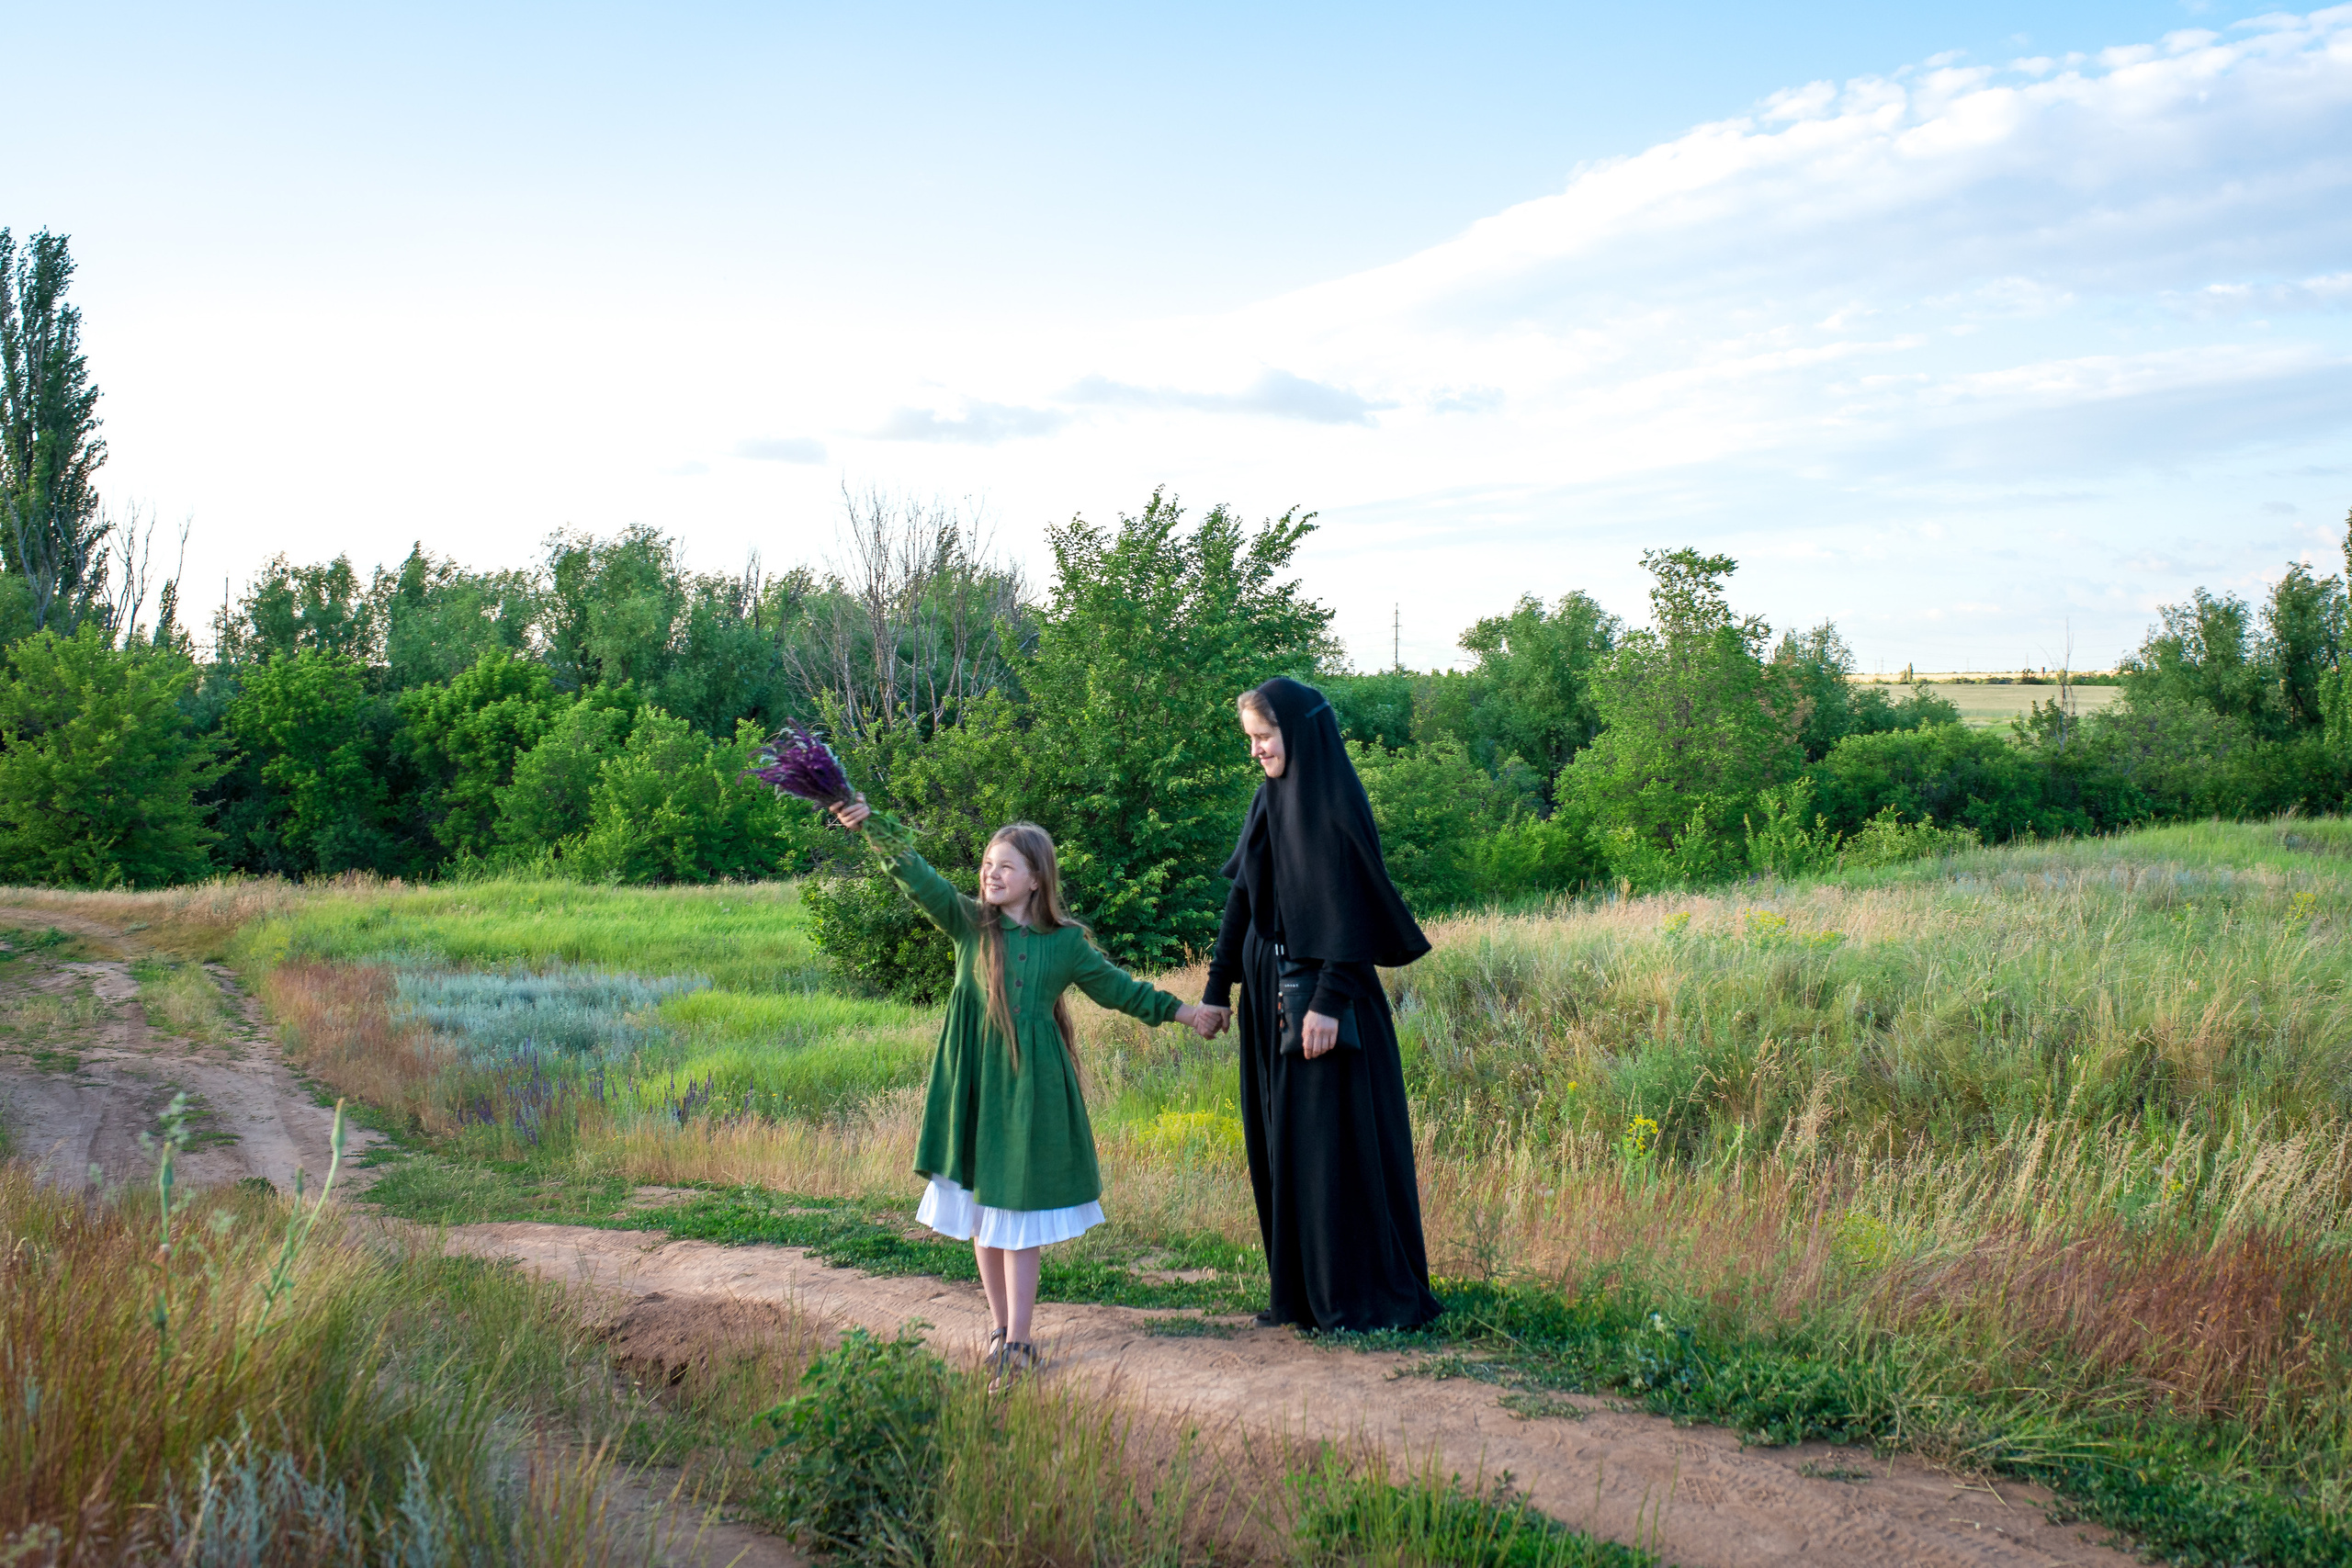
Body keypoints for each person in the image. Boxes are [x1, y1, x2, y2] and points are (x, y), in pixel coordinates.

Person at [831, 798, 1224, 1382]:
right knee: (981, 1214)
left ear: (1036, 879)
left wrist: (1185, 1012)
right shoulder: (967, 922)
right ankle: (999, 1329)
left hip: (1030, 1090)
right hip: (972, 1084)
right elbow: (916, 875)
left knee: (1016, 1214)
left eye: (1006, 866)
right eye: (988, 864)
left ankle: (1019, 1341)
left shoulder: (1064, 943)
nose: (992, 873)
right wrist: (871, 827)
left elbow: (1120, 989)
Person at [1193, 676, 1443, 1332]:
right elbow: (1241, 899)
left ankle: (1354, 1299)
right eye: (1251, 740)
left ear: (1298, 732)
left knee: (1332, 1152)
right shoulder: (1266, 800)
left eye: (1264, 738)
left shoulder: (1338, 804)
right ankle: (1301, 1295)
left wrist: (1328, 1003)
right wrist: (1218, 989)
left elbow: (1355, 912)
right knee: (1283, 1149)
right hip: (1267, 1002)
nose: (1256, 751)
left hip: (1322, 1007)